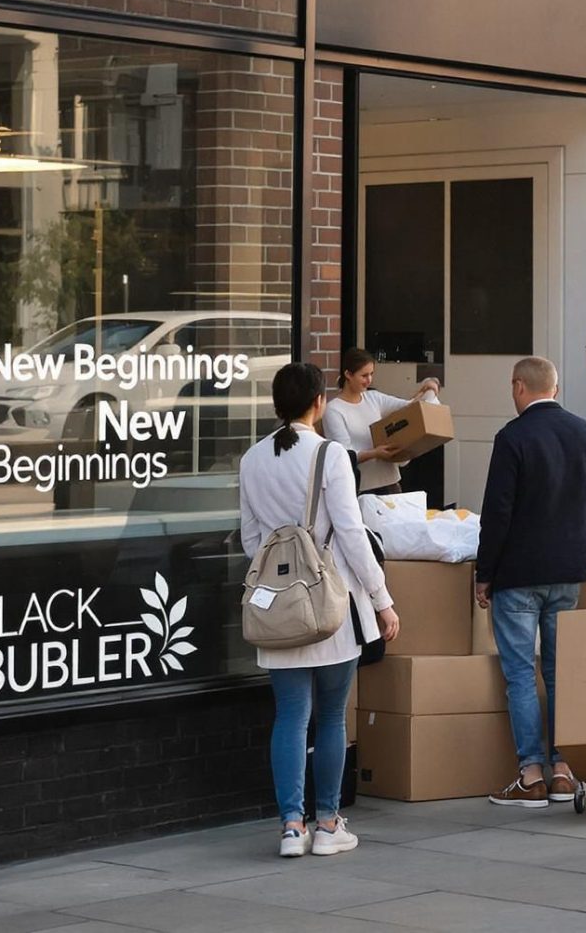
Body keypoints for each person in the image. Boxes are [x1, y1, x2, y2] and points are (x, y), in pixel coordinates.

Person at [239, 362, 396, 858]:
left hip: (277, 608)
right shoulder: (330, 455)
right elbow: (351, 534)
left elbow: (250, 540)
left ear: (276, 405)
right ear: (319, 403)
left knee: (289, 716)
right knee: (331, 716)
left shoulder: (251, 459)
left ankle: (291, 826)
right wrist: (382, 599)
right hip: (330, 606)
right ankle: (327, 822)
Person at [474, 356, 586, 809]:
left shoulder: (512, 438)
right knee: (559, 672)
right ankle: (564, 770)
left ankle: (531, 773)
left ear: (519, 387)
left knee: (520, 675)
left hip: (518, 574)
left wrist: (484, 573)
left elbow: (497, 513)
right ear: (555, 387)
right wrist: (570, 533)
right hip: (568, 570)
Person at [320, 348, 444, 498]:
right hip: (360, 488)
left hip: (391, 484)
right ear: (348, 375)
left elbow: (409, 407)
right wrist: (375, 453)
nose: (369, 380)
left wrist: (429, 387)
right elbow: (344, 453)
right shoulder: (334, 410)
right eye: (364, 375)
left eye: (371, 374)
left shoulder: (374, 398)